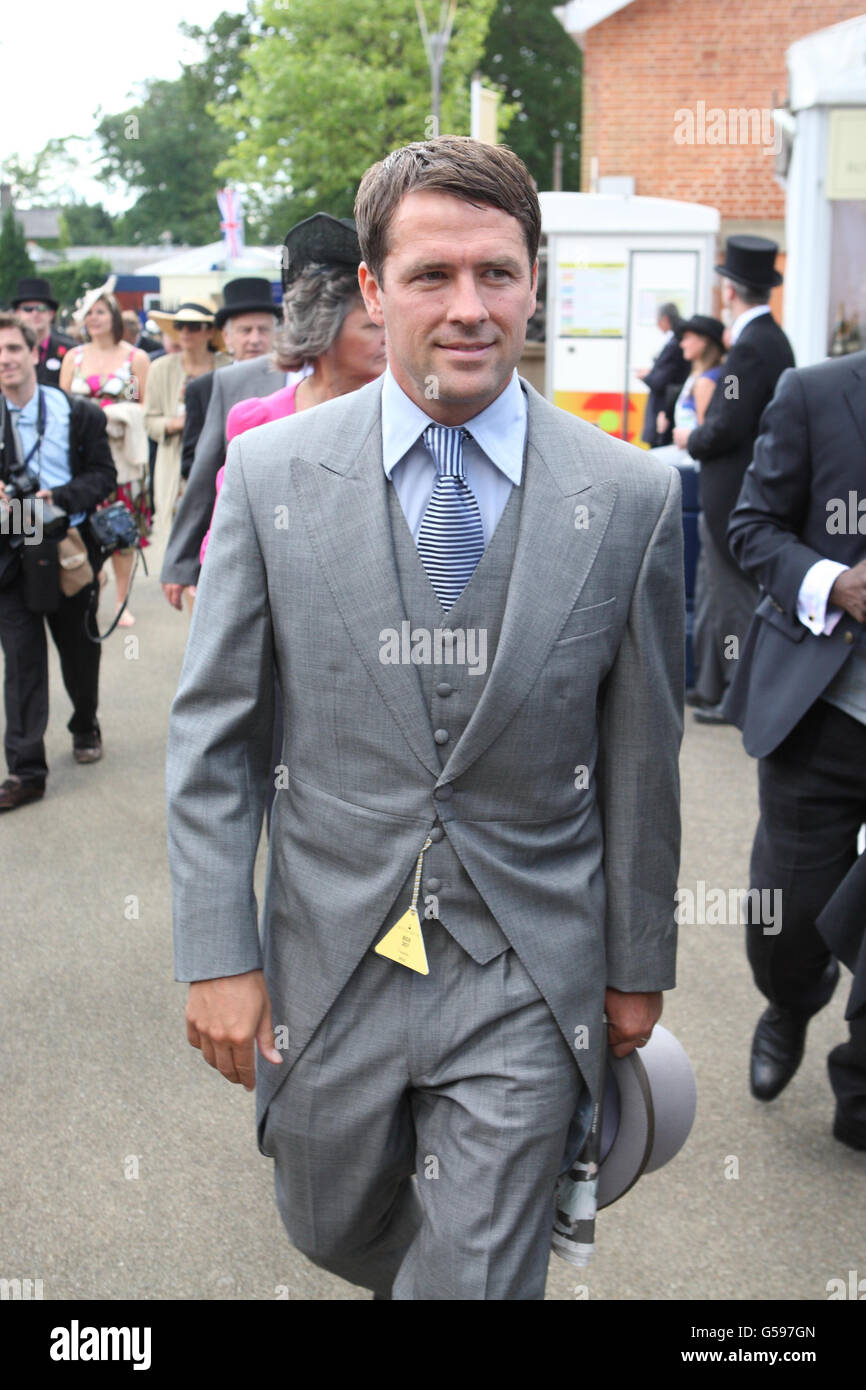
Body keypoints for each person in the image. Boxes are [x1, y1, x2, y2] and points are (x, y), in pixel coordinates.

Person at [166, 135, 684, 1301]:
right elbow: (213, 740)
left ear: (532, 282)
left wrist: (634, 960)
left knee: (479, 1271)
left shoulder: (632, 496)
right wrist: (215, 949)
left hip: (524, 965)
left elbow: (642, 753)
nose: (468, 308)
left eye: (496, 273)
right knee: (330, 1223)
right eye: (430, 276)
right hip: (330, 957)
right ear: (369, 288)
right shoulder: (272, 477)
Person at [724, 348, 866, 1150]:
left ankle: (861, 1091)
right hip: (822, 713)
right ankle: (789, 999)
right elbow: (752, 529)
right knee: (788, 916)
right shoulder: (813, 393)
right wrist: (832, 583)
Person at [200, 213, 386, 564]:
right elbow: (224, 545)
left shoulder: (407, 415)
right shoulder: (257, 420)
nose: (388, 337)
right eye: (371, 326)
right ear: (323, 331)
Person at [677, 236, 795, 724]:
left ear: (731, 291)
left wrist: (692, 438)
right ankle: (710, 685)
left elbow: (728, 423)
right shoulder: (766, 340)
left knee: (732, 601)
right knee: (710, 593)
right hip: (734, 488)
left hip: (734, 491)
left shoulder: (750, 348)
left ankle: (737, 695)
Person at [0, 312, 115, 809]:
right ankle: (26, 771)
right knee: (22, 661)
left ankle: (84, 722)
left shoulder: (75, 411)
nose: (4, 360)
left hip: (66, 538)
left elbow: (104, 476)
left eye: (12, 349)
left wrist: (61, 495)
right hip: (11, 543)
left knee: (79, 650)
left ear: (32, 352)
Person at [160, 278, 283, 608]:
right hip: (226, 523)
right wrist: (181, 560)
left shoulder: (299, 380)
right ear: (226, 337)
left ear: (277, 334)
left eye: (263, 330)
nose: (255, 339)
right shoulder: (207, 386)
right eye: (245, 331)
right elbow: (196, 464)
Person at [59, 283, 150, 627]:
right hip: (81, 457)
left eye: (100, 311)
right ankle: (91, 582)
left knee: (122, 530)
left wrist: (111, 415)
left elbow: (140, 406)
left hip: (120, 458)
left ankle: (121, 600)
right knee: (84, 526)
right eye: (88, 313)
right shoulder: (74, 358)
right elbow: (63, 404)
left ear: (112, 315)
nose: (93, 319)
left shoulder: (134, 359)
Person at [144, 303, 231, 549]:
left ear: (208, 331)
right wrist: (176, 424)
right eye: (179, 326)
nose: (185, 332)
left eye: (193, 326)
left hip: (219, 456)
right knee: (177, 533)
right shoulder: (159, 367)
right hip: (175, 460)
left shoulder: (228, 365)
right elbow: (149, 420)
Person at [654, 314, 725, 445]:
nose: (682, 344)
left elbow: (705, 433)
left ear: (703, 341)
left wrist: (689, 439)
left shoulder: (706, 381)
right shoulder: (698, 373)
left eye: (687, 338)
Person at [637, 302, 688, 447]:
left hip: (664, 411)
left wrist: (647, 376)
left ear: (665, 319)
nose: (684, 345)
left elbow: (660, 381)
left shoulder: (674, 344)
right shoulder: (674, 342)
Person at [10, 277, 75, 389]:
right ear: (17, 313)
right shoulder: (5, 350)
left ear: (51, 313)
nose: (35, 313)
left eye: (41, 308)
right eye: (27, 309)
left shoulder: (72, 351)